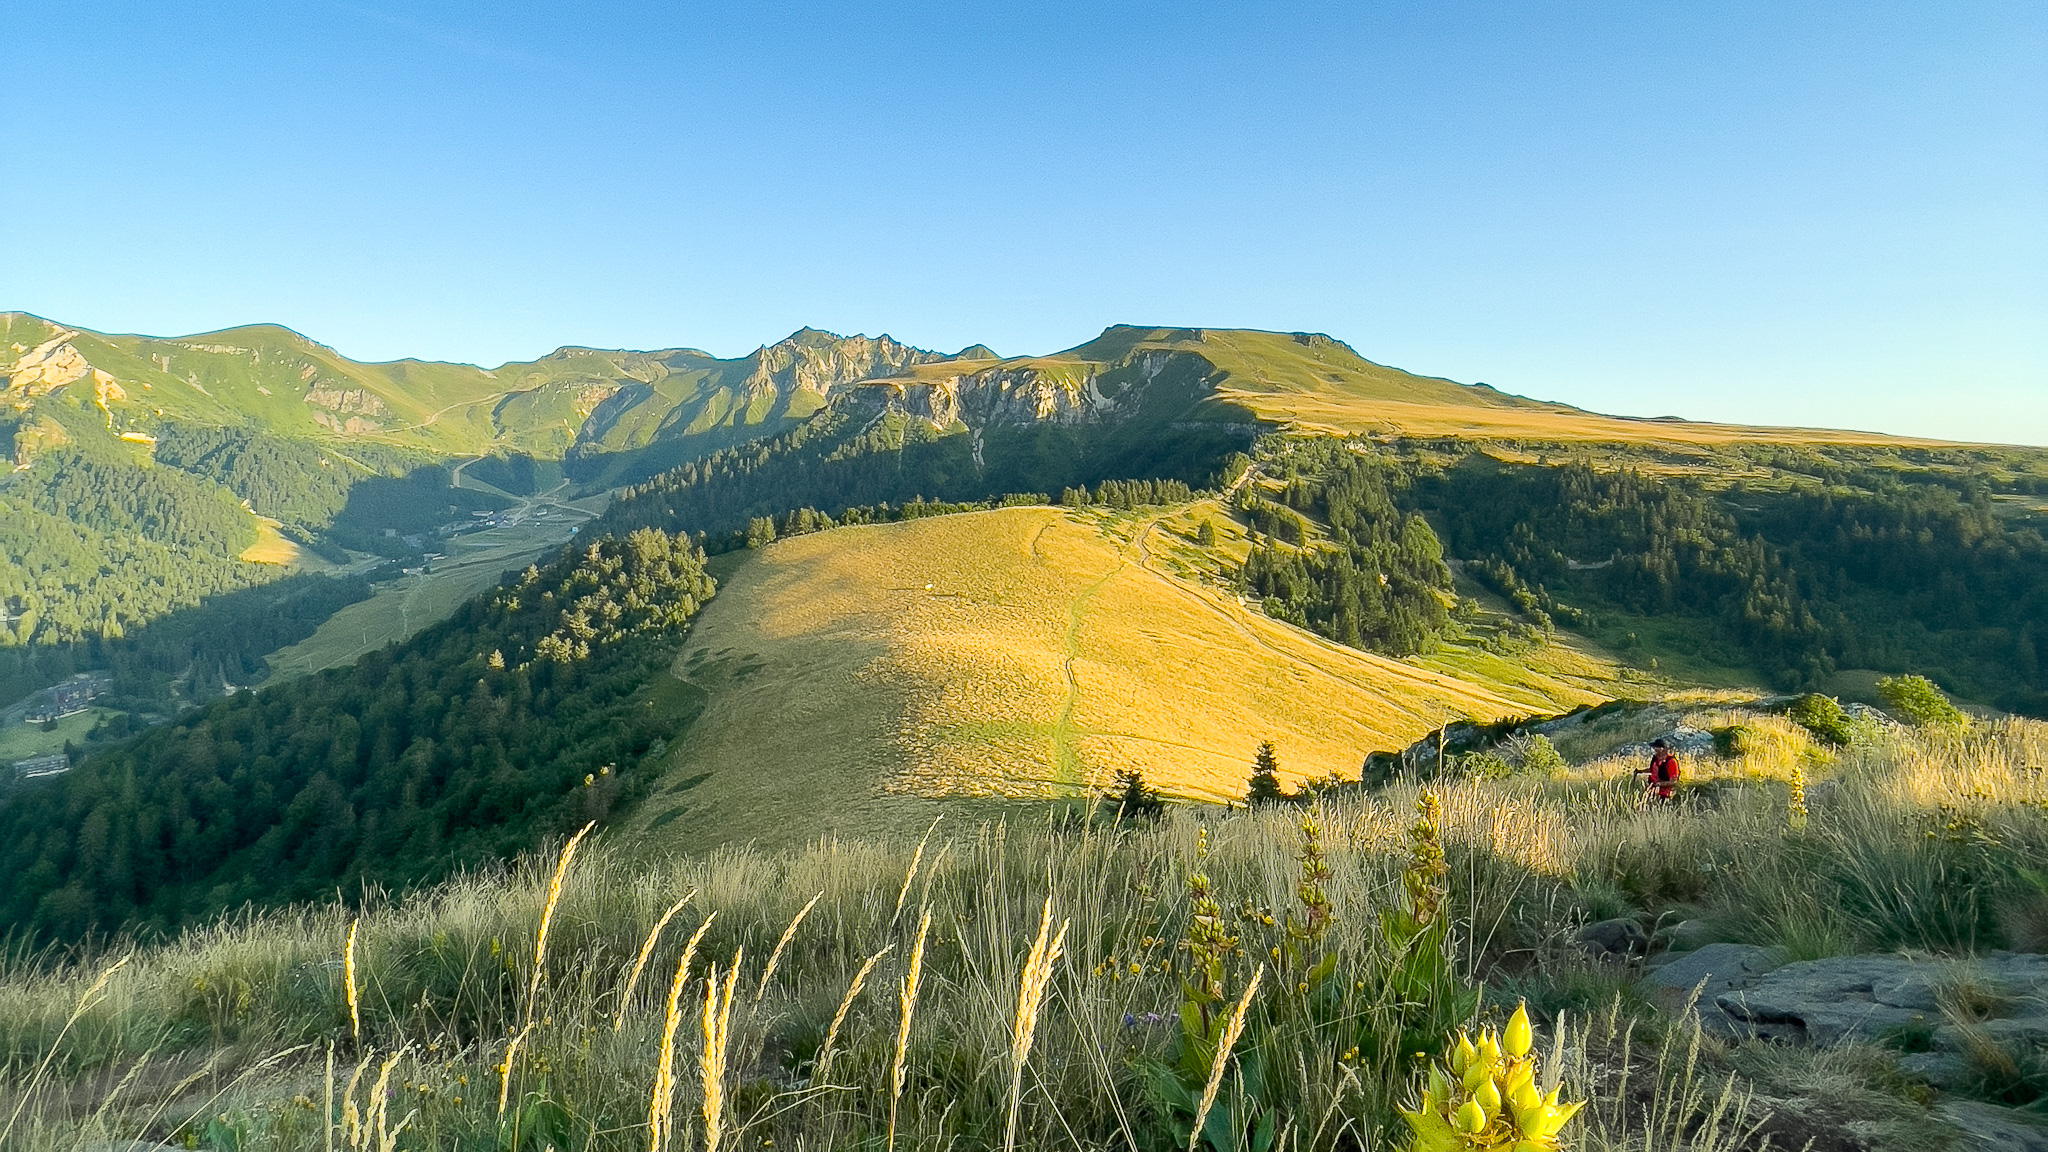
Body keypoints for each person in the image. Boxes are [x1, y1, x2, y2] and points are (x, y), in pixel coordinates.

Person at [1635, 738, 1680, 803]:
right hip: (1651, 792)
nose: (1654, 749)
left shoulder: (1671, 762)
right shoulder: (1655, 759)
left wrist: (1660, 784)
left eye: (1656, 748)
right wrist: (1641, 772)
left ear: (1662, 749)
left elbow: (1673, 781)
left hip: (1664, 794)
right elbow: (1652, 770)